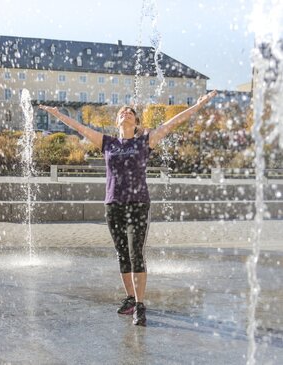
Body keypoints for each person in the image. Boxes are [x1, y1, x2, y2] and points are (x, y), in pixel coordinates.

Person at [39, 90, 217, 326]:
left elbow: (173, 123)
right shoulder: (107, 143)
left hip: (138, 204)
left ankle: (140, 306)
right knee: (122, 253)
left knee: (136, 254)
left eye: (131, 112)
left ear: (136, 122)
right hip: (113, 205)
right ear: (117, 121)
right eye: (123, 112)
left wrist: (197, 105)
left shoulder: (145, 141)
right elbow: (81, 128)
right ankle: (130, 298)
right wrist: (58, 115)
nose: (126, 113)